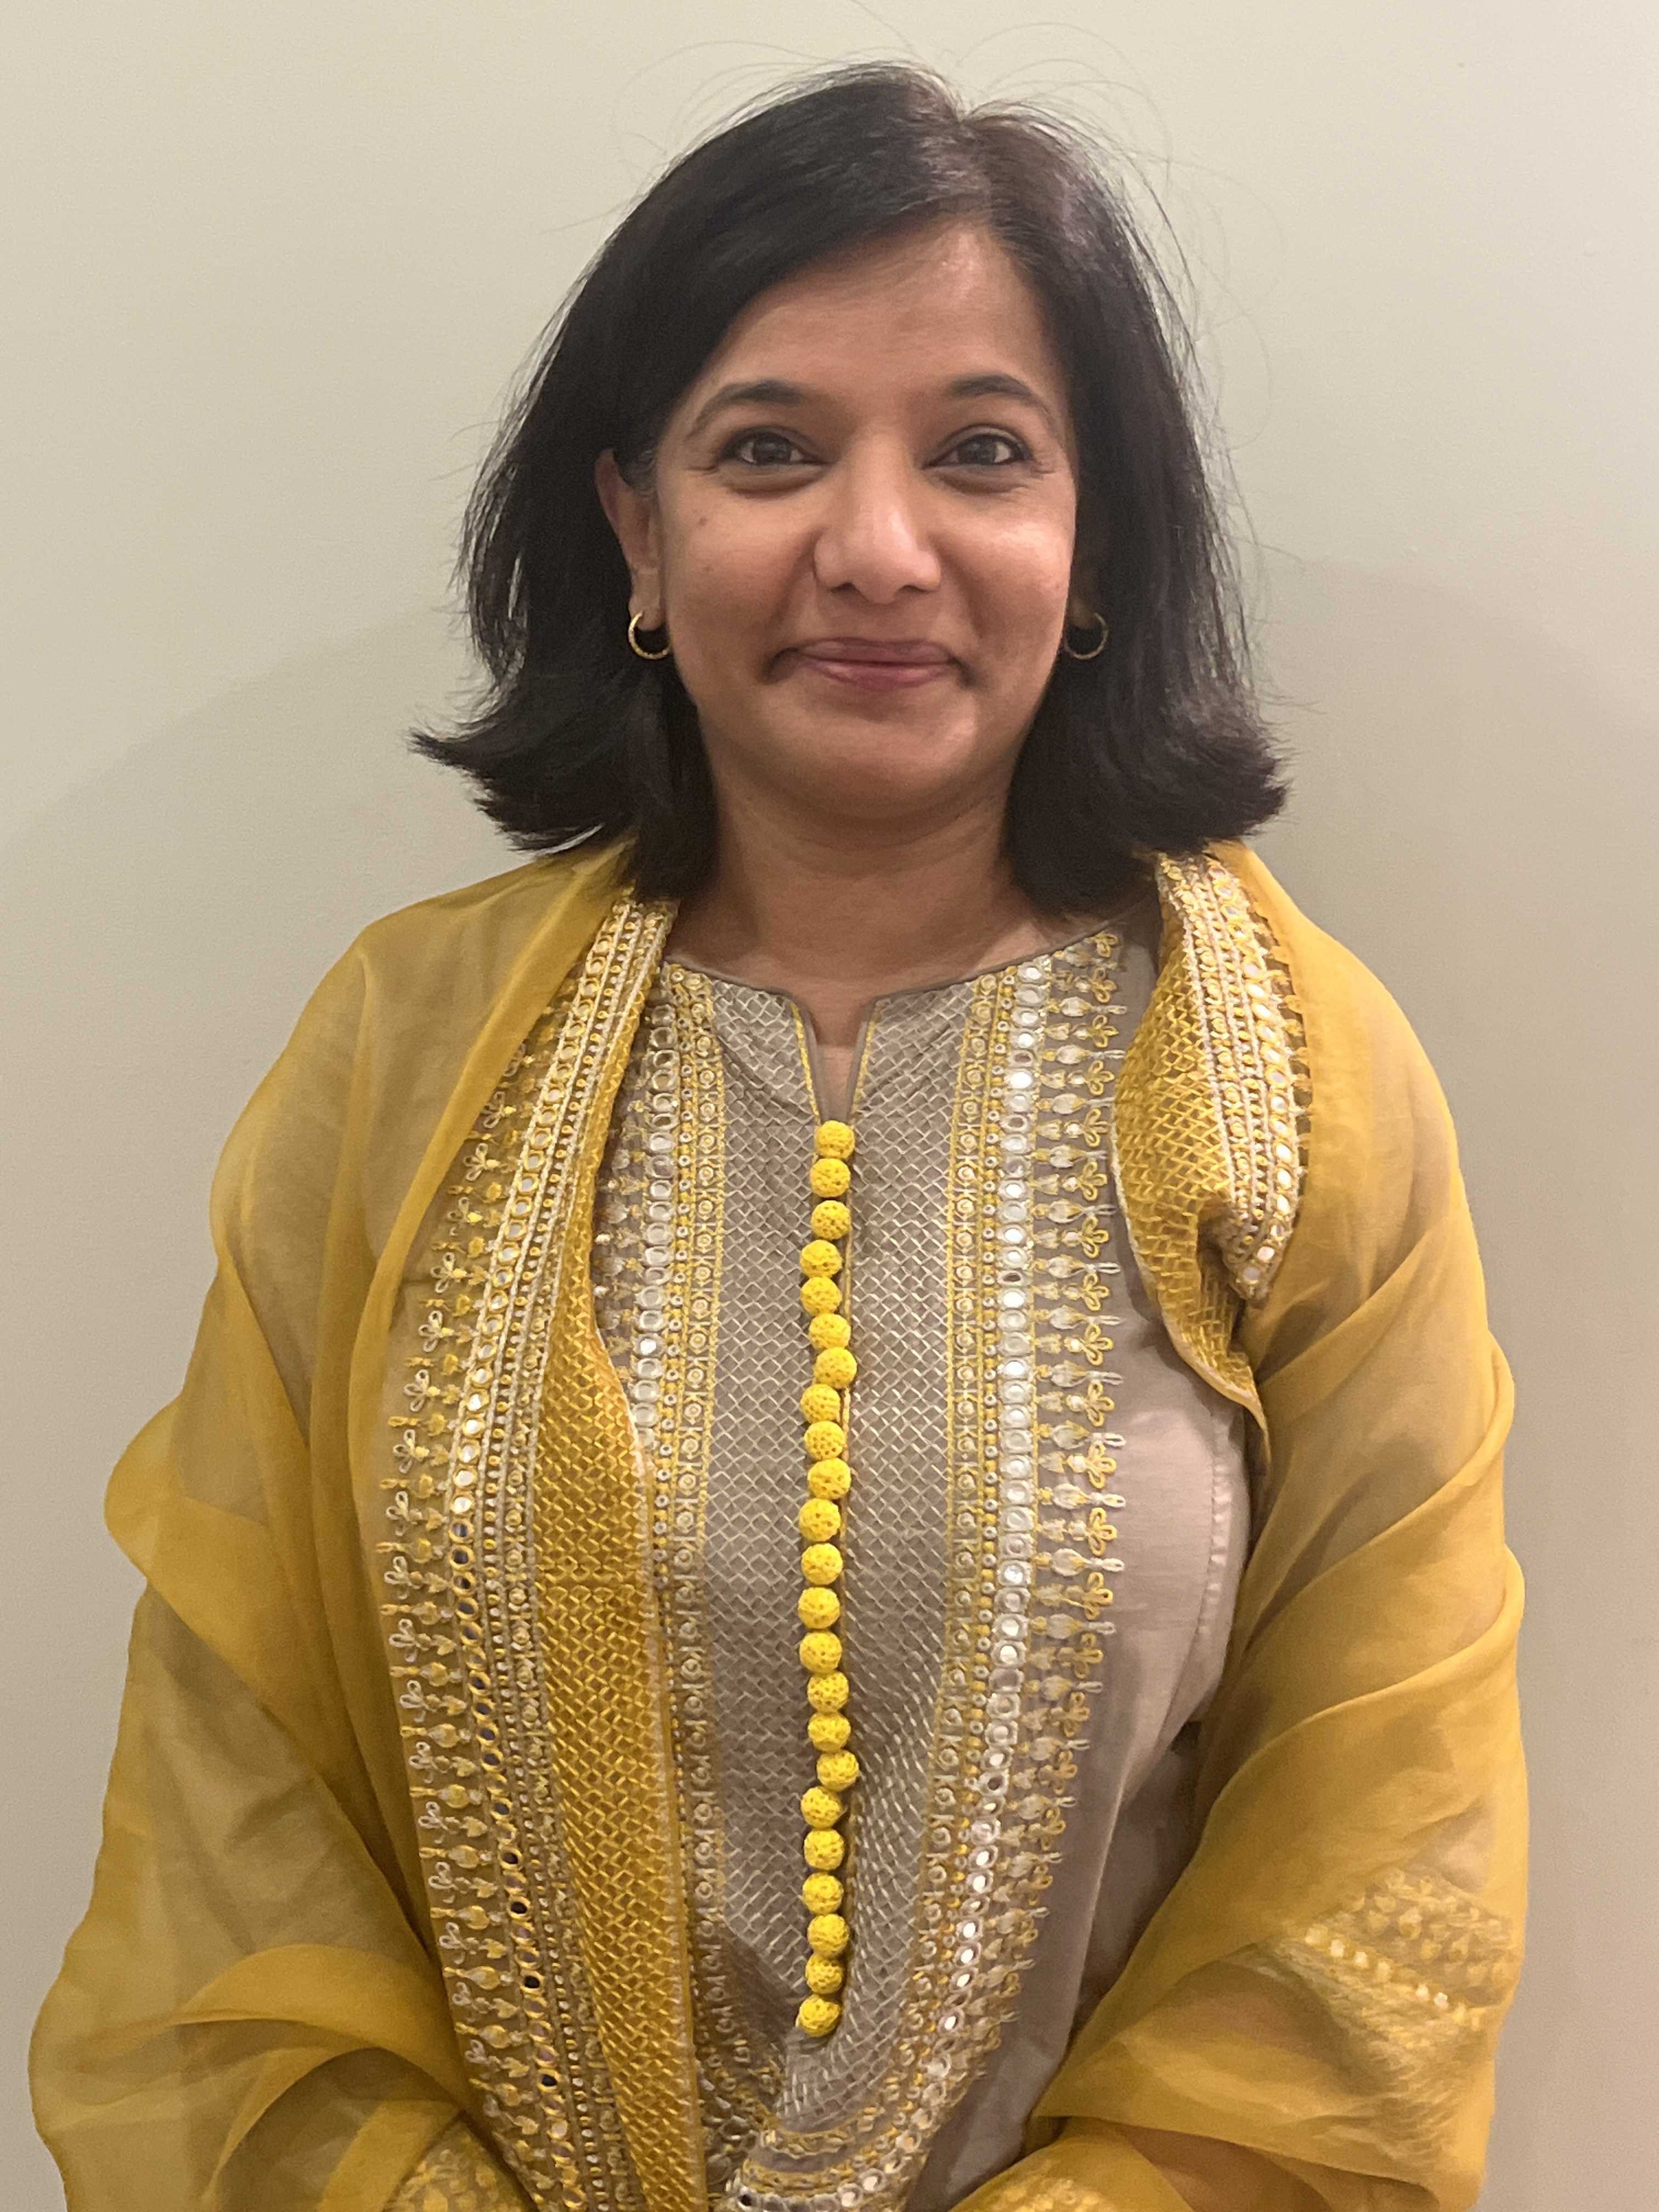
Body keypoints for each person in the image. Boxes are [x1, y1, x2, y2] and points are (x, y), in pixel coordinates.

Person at [31, 61, 1524, 2212]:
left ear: (1095, 535)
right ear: (638, 530)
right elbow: (237, 1825)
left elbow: (1377, 1882)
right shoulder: (403, 1061)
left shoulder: (1294, 1078)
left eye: (982, 451)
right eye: (770, 450)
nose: (878, 549)